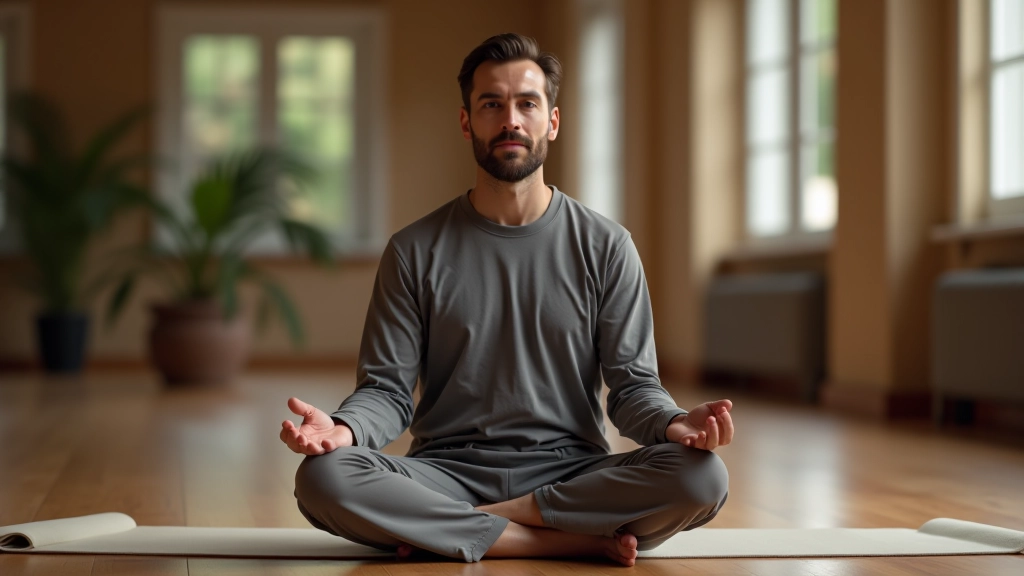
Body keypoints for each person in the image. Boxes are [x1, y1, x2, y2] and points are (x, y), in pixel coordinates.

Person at [280, 32, 734, 567]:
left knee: (702, 477)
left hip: (573, 473)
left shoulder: (607, 246)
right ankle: (558, 539)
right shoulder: (412, 250)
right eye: (492, 104)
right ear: (467, 122)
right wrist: (344, 429)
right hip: (445, 472)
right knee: (325, 477)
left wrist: (673, 423)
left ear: (553, 121)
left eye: (527, 104)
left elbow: (633, 387)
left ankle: (463, 528)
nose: (510, 120)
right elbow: (387, 391)